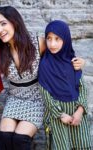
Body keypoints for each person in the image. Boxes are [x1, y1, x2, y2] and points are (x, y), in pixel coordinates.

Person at [0, 6, 85, 150]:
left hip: (37, 98)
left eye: (3, 23)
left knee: (20, 140)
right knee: (5, 137)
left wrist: (79, 61)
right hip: (14, 97)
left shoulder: (38, 43)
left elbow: (61, 53)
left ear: (14, 22)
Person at [39, 20, 91, 150]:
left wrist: (79, 111)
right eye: (49, 39)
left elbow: (83, 88)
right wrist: (60, 114)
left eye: (57, 39)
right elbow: (45, 94)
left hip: (77, 114)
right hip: (58, 117)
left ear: (66, 39)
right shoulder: (45, 65)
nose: (52, 44)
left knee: (81, 144)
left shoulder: (74, 62)